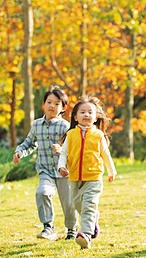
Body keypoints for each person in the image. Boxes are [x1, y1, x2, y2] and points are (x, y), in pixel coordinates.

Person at [13, 86, 78, 241]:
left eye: (57, 104)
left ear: (63, 108)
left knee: (68, 203)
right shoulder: (36, 124)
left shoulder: (66, 126)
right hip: (45, 171)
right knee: (42, 192)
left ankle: (72, 229)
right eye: (49, 102)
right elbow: (29, 143)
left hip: (64, 171)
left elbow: (74, 149)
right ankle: (48, 227)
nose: (52, 106)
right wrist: (19, 152)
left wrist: (62, 149)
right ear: (43, 104)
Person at [58, 95, 116, 249]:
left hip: (94, 177)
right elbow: (64, 154)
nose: (86, 115)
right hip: (74, 177)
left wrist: (111, 171)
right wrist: (61, 166)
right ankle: (93, 219)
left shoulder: (98, 136)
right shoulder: (70, 135)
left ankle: (85, 234)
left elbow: (106, 155)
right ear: (75, 117)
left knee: (89, 205)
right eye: (82, 112)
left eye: (90, 112)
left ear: (96, 117)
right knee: (78, 205)